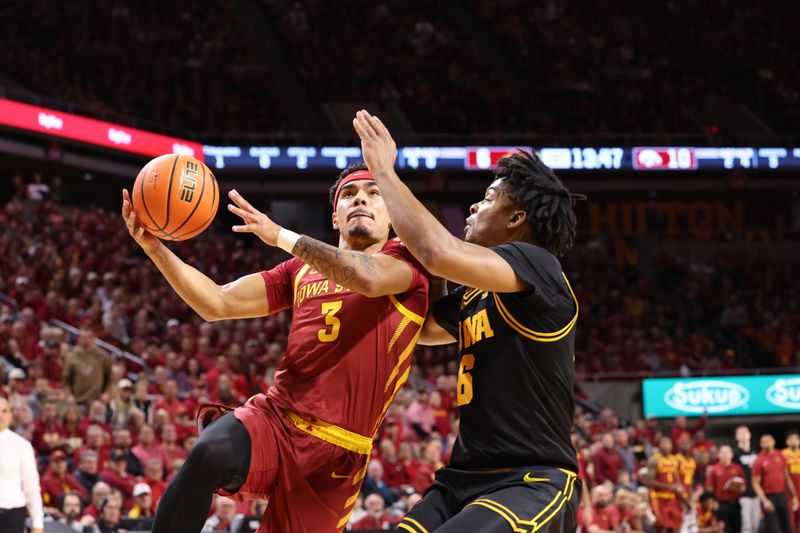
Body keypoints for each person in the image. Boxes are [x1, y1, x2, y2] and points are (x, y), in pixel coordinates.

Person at [121, 161, 430, 532]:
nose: (360, 199)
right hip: (276, 419)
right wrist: (154, 248)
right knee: (210, 451)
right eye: (348, 194)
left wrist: (281, 235)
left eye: (373, 193)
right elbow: (217, 302)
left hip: (337, 456)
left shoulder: (406, 262)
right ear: (335, 218)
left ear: (392, 214)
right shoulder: (299, 270)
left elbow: (366, 277)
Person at [354, 110, 582, 532]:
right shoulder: (478, 292)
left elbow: (439, 252)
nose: (475, 205)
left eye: (489, 198)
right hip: (460, 480)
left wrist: (384, 172)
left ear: (516, 219)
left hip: (530, 480)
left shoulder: (540, 265)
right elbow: (424, 329)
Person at [0, 397, 44, 533]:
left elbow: (31, 487)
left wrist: (37, 523)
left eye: (4, 411)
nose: (0, 415)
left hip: (10, 516)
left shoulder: (21, 445)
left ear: (10, 415)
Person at [752, 433, 798, 533]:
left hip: (782, 495)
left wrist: (794, 495)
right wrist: (765, 501)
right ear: (761, 444)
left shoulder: (780, 454)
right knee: (772, 528)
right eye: (764, 442)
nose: (767, 443)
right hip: (769, 496)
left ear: (773, 442)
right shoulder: (759, 459)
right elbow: (755, 484)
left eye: (769, 441)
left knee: (788, 526)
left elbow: (787, 476)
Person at [642, 436, 686, 533]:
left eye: (668, 443)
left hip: (672, 497)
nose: (667, 446)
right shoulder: (654, 460)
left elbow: (676, 481)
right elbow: (648, 482)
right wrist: (669, 486)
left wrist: (681, 494)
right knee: (662, 527)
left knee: (676, 525)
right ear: (659, 445)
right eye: (664, 443)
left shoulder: (674, 460)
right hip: (658, 497)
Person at [61, 324, 113, 405]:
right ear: (79, 338)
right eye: (82, 337)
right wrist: (69, 395)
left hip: (97, 400)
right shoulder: (72, 356)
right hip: (77, 400)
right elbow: (65, 380)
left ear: (93, 338)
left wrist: (107, 393)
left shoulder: (102, 356)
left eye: (88, 337)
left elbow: (110, 378)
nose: (85, 340)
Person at [705, 445, 744, 533]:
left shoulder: (737, 468)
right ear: (718, 455)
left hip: (735, 503)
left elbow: (743, 484)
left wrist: (740, 488)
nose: (725, 454)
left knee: (737, 528)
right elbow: (709, 488)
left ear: (731, 454)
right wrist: (714, 502)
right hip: (721, 504)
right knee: (724, 529)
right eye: (722, 452)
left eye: (727, 452)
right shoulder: (714, 469)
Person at [733, 425, 760, 533]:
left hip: (756, 493)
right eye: (740, 433)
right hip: (743, 495)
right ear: (736, 437)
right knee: (746, 526)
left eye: (745, 432)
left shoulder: (755, 452)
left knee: (756, 525)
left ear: (750, 435)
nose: (743, 435)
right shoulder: (734, 454)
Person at [782, 430, 800, 533]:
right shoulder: (782, 454)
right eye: (790, 439)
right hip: (788, 491)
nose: (793, 441)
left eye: (795, 439)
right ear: (786, 442)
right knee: (790, 518)